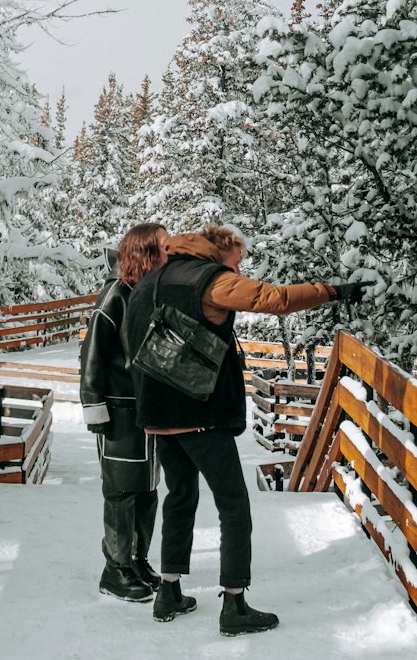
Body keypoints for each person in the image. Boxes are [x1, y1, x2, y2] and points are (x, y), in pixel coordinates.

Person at [126, 226, 371, 635]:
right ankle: (235, 604)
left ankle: (169, 591)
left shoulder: (152, 279)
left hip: (157, 413)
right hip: (199, 411)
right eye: (237, 260)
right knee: (234, 505)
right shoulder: (212, 280)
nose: (240, 268)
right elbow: (272, 299)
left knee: (180, 496)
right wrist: (333, 291)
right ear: (218, 254)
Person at [79, 223, 169, 602]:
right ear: (145, 254)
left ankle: (136, 560)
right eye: (164, 248)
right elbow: (92, 355)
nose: (171, 253)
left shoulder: (150, 294)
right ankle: (114, 569)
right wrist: (93, 405)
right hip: (119, 412)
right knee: (120, 491)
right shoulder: (115, 296)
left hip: (149, 412)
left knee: (147, 489)